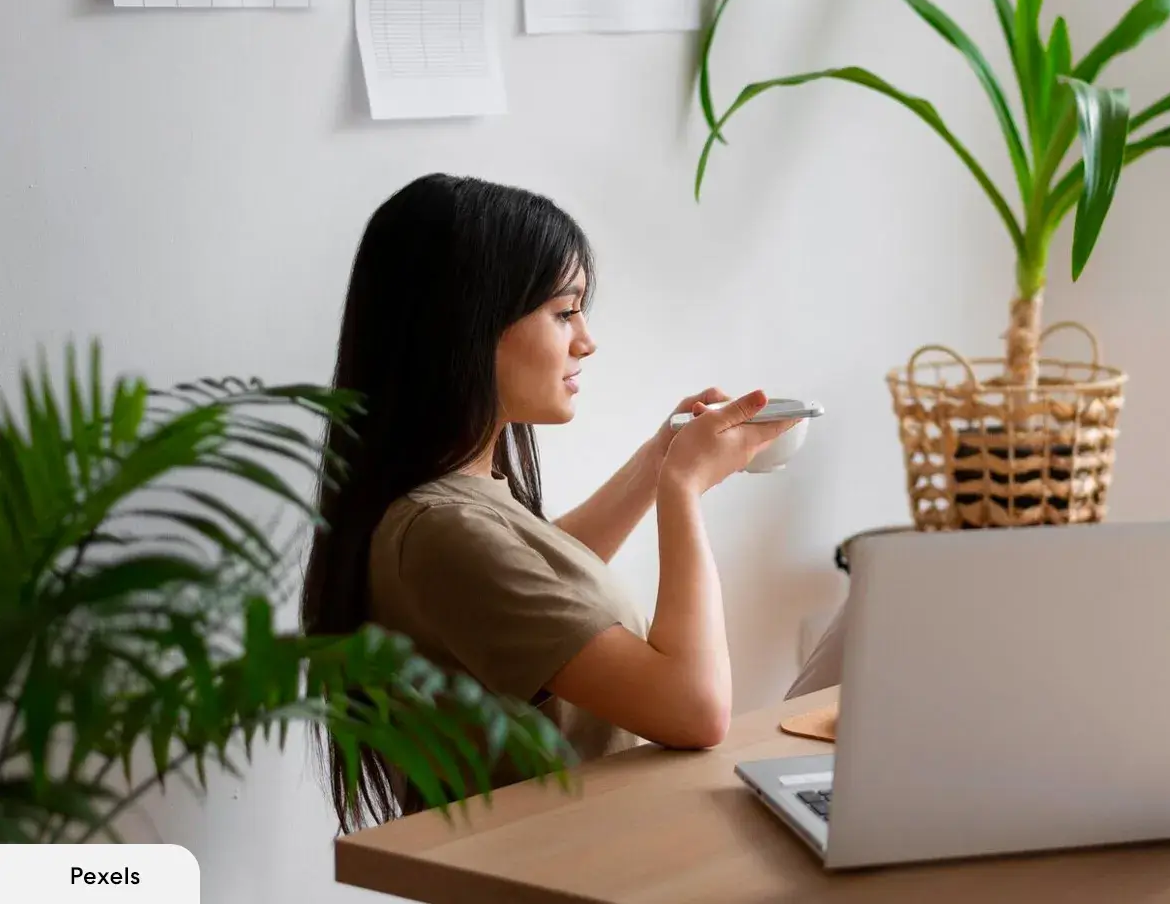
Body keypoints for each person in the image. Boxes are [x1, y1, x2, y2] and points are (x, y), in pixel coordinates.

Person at [299, 173, 797, 832]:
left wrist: (656, 462)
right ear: (467, 325)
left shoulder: (455, 506)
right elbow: (695, 709)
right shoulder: (439, 530)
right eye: (565, 312)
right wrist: (683, 491)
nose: (585, 340)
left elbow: (538, 595)